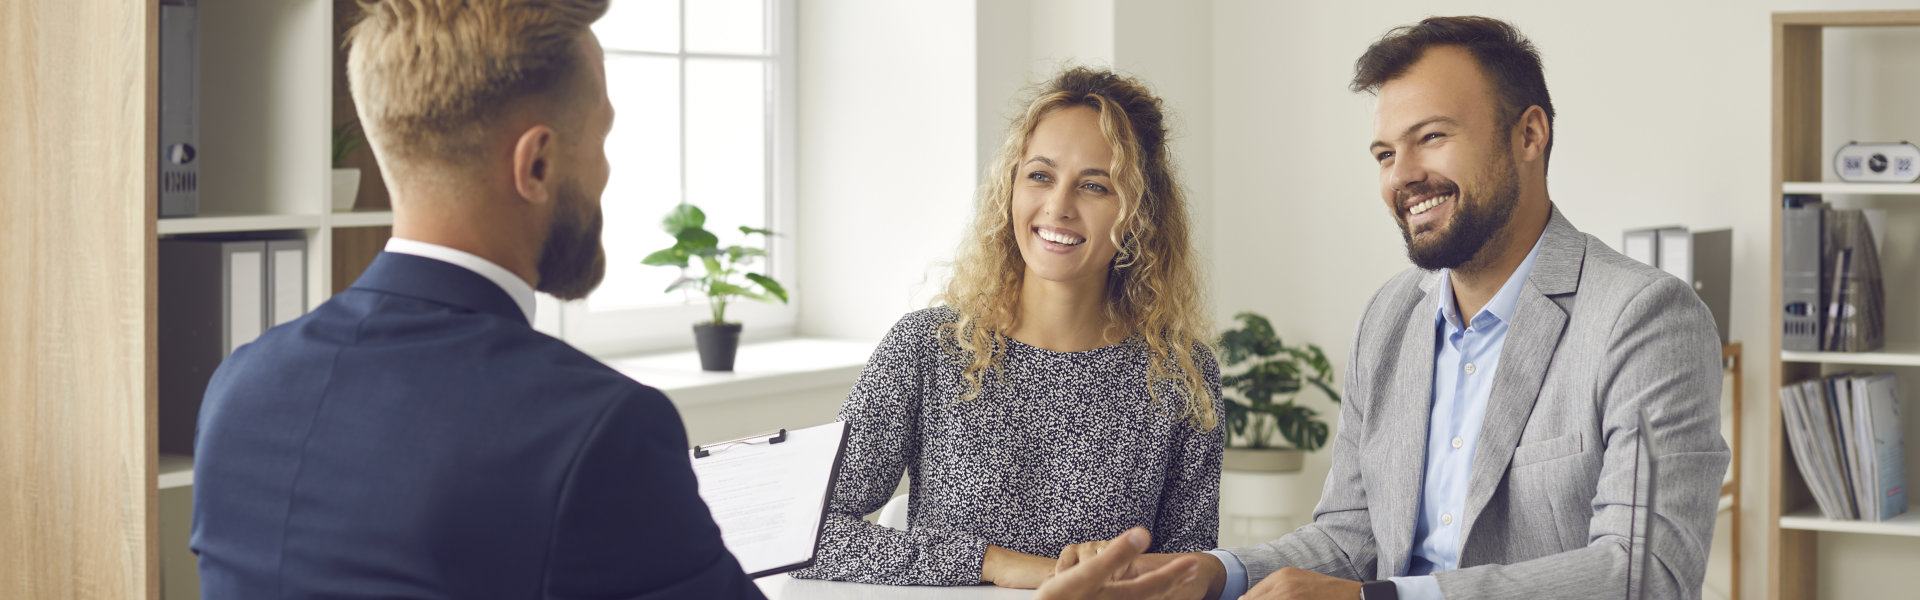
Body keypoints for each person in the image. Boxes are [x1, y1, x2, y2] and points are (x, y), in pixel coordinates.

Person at [1059, 16, 1728, 600]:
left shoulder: (1642, 317)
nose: (1402, 176)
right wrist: (1209, 572)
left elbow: (1645, 576)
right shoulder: (1390, 318)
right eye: (1385, 153)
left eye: (1432, 137)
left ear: (1529, 136)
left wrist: (1378, 598)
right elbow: (1350, 538)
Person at [190, 1, 762, 597]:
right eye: (602, 137)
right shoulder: (596, 430)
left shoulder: (240, 389)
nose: (607, 170)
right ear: (536, 163)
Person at [788, 67, 1225, 589]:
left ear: (1138, 213)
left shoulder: (1181, 374)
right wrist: (995, 563)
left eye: (1094, 186)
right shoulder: (929, 348)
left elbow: (1188, 580)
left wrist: (1125, 574)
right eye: (1040, 176)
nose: (1058, 207)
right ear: (1010, 187)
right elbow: (802, 537)